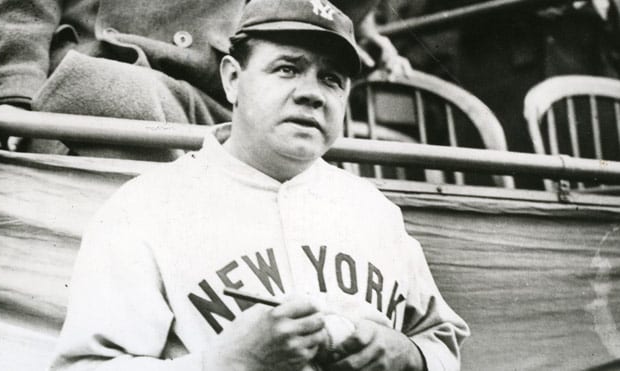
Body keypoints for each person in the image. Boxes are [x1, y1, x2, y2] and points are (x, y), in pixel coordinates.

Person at [49, 0, 469, 370]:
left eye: (332, 80)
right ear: (232, 79)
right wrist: (221, 364)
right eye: (288, 68)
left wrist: (411, 355)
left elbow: (441, 341)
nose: (312, 94)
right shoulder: (144, 207)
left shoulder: (375, 211)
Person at [0, 0, 411, 160]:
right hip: (93, 79)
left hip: (211, 95)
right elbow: (23, 10)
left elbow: (315, 12)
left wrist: (369, 32)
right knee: (108, 95)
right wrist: (14, 93)